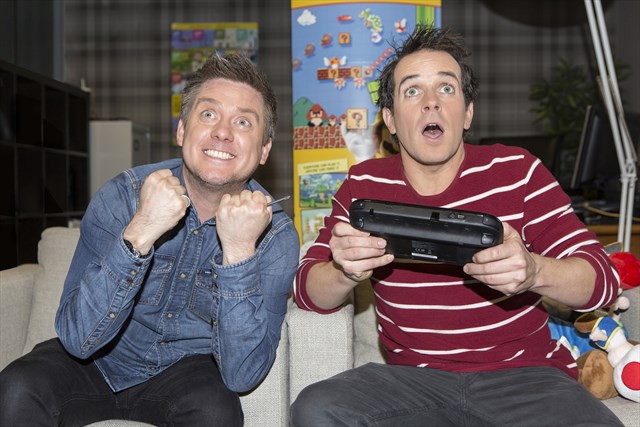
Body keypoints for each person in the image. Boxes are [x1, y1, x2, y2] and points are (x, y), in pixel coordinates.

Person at [291, 25, 624, 426]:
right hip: (411, 383)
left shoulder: (517, 171)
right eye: (412, 91)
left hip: (525, 380)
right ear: (390, 120)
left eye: (446, 88)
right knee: (316, 408)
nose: (431, 102)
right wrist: (344, 271)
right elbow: (306, 290)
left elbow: (604, 280)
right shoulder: (364, 184)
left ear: (467, 113)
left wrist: (535, 271)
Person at [0, 53, 300, 426]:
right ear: (181, 131)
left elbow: (242, 375)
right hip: (94, 363)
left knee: (217, 413)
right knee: (16, 387)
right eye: (209, 114)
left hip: (185, 375)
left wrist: (239, 252)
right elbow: (77, 338)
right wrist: (141, 230)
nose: (223, 132)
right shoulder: (123, 195)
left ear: (264, 150)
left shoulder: (276, 236)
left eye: (243, 122)